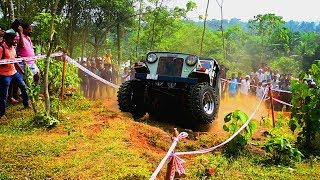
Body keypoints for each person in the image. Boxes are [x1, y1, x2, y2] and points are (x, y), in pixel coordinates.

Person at [0, 29, 29, 120]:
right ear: (8, 39)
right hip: (4, 75)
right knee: (3, 94)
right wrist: (4, 62)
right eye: (13, 39)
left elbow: (15, 60)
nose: (15, 41)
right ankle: (2, 114)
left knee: (23, 87)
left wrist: (21, 71)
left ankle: (26, 104)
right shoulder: (1, 49)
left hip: (14, 72)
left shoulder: (13, 48)